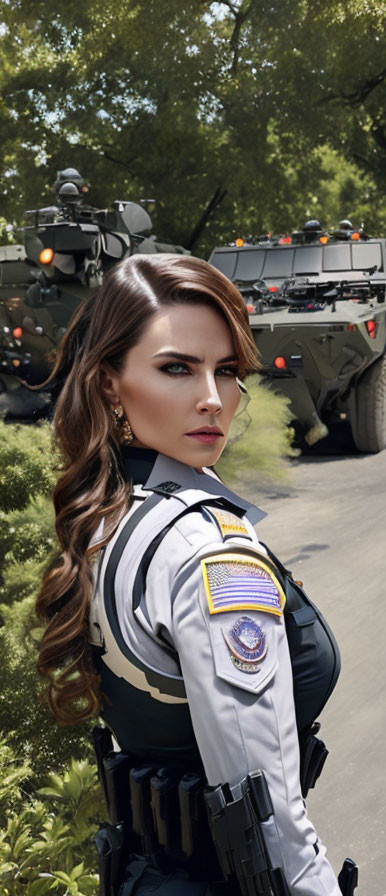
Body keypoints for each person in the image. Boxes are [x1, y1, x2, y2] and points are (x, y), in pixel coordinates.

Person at [35, 254, 345, 896]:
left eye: (226, 370)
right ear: (110, 384)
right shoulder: (210, 552)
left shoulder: (108, 508)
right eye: (177, 367)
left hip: (146, 872)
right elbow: (264, 818)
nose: (213, 398)